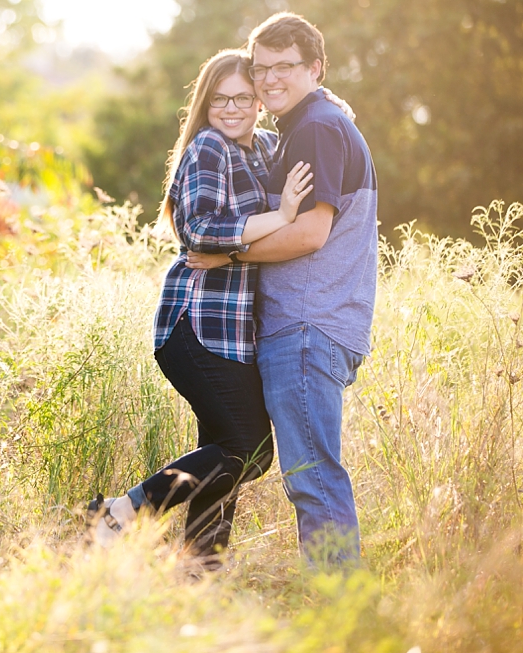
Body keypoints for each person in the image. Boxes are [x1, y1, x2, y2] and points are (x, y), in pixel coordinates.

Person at [87, 48, 316, 559]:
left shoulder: (265, 147)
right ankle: (121, 512)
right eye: (220, 99)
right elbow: (198, 231)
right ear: (205, 104)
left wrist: (328, 105)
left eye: (243, 98)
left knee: (222, 453)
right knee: (250, 449)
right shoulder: (210, 147)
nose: (232, 109)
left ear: (259, 101)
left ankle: (199, 571)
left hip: (234, 335)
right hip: (198, 325)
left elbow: (308, 120)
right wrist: (280, 217)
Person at [188, 13, 378, 566]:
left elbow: (311, 233)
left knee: (312, 477)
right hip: (311, 325)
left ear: (315, 68)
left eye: (284, 67)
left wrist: (228, 253)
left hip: (306, 325)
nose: (270, 79)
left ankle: (340, 603)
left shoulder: (316, 127)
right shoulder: (308, 125)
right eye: (261, 68)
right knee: (306, 473)